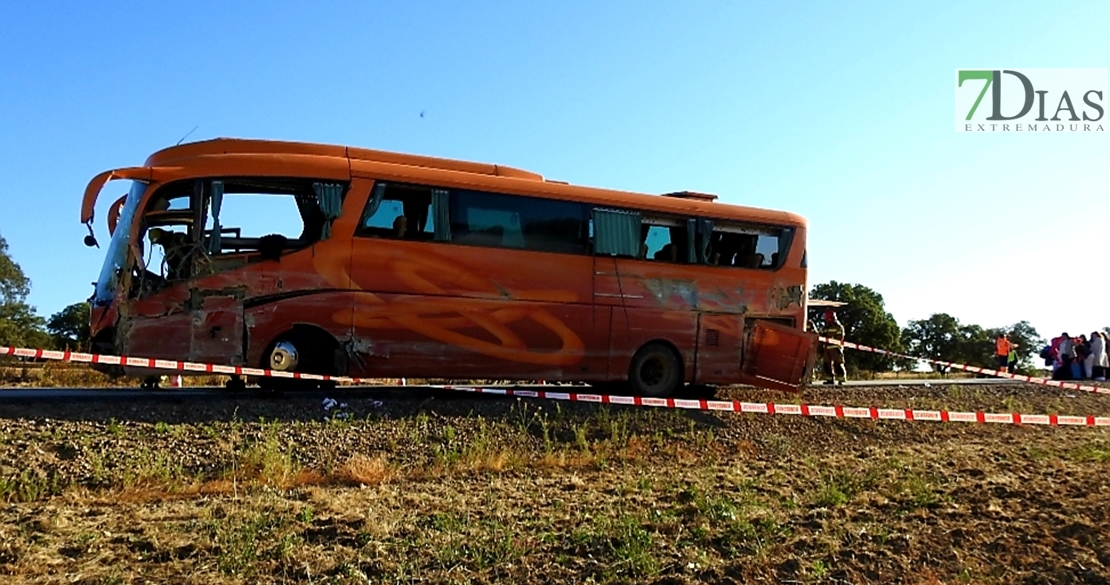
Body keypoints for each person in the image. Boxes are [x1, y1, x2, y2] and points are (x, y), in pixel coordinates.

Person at [821, 310, 847, 385]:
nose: (825, 320)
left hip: (836, 349)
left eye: (826, 318)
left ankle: (841, 379)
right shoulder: (826, 327)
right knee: (826, 365)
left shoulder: (838, 327)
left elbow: (839, 337)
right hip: (827, 349)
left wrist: (831, 340)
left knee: (838, 364)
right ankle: (829, 379)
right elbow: (822, 336)